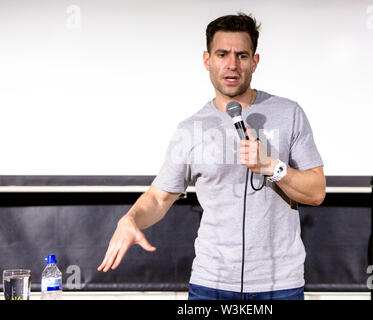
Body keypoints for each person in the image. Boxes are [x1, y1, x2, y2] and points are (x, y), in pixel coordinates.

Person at [97, 12, 326, 300]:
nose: (232, 64)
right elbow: (159, 198)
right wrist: (130, 218)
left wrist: (271, 165)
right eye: (222, 54)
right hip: (211, 284)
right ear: (207, 60)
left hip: (279, 285)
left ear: (255, 62)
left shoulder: (289, 113)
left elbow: (317, 191)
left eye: (242, 55)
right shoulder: (191, 129)